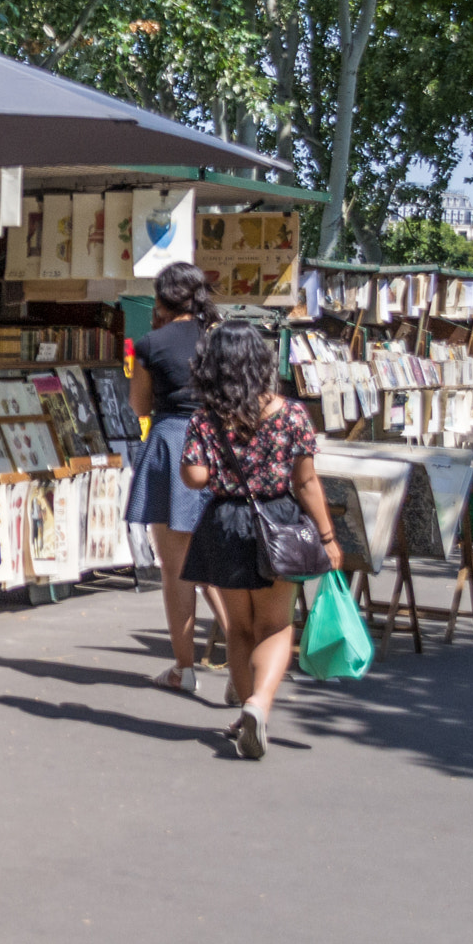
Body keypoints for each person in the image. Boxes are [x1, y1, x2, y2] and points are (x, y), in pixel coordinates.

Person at [178, 321, 340, 759]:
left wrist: (210, 465)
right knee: (277, 626)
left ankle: (245, 709)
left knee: (240, 627)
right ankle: (258, 705)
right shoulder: (292, 415)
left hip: (226, 524)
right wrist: (327, 537)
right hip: (280, 522)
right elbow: (306, 482)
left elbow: (194, 478)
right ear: (261, 364)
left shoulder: (204, 418)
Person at [126, 262, 228, 695]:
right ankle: (245, 662)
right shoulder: (220, 340)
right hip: (219, 447)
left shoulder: (150, 344)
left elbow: (140, 407)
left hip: (171, 446)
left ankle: (184, 668)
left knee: (175, 569)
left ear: (163, 299)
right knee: (217, 569)